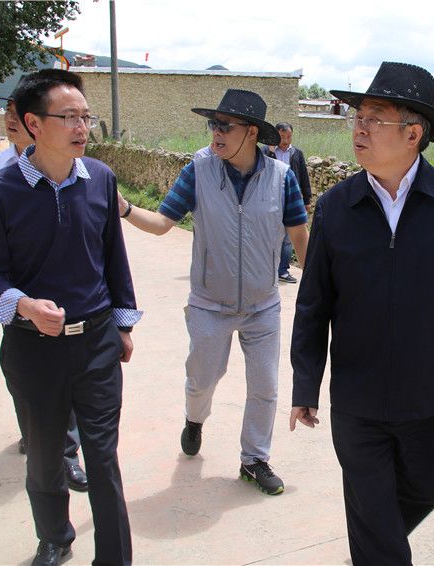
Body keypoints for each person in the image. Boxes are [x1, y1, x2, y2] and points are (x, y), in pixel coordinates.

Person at [290, 61, 434, 565]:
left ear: (413, 134)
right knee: (376, 522)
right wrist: (305, 384)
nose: (359, 128)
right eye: (357, 117)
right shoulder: (337, 206)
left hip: (430, 399)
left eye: (375, 118)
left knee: (422, 493)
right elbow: (314, 303)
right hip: (357, 401)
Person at [0, 69, 139, 566]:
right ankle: (55, 538)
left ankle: (114, 557)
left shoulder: (100, 179)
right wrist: (25, 305)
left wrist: (123, 325)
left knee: (102, 457)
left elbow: (113, 258)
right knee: (46, 456)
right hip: (33, 349)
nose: (81, 127)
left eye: (85, 117)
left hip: (96, 344)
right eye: (68, 117)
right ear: (33, 123)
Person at [117, 89, 309, 495]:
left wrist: (325, 283)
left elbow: (299, 237)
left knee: (265, 386)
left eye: (225, 126)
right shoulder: (198, 171)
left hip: (262, 306)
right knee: (202, 379)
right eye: (213, 124)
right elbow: (163, 223)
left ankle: (254, 459)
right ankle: (194, 419)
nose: (216, 133)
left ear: (252, 132)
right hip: (209, 303)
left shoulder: (282, 178)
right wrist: (125, 209)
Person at [0, 79, 88, 492]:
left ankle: (66, 453)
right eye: (8, 114)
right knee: (27, 377)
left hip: (66, 303)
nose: (10, 122)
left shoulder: (75, 169)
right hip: (15, 299)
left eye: (17, 115)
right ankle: (36, 434)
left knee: (67, 378)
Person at [262, 122, 312, 283]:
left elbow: (303, 176)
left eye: (289, 137)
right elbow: (264, 171)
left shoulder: (297, 153)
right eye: (282, 137)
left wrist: (307, 199)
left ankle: (282, 271)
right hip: (269, 200)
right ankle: (267, 269)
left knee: (287, 239)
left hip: (290, 200)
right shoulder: (264, 152)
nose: (285, 140)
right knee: (268, 235)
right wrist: (271, 152)